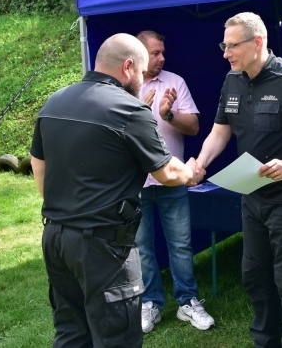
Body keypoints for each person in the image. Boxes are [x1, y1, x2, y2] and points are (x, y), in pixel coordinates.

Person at [30, 33, 203, 348]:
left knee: (71, 333)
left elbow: (38, 163)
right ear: (128, 67)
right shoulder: (129, 109)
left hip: (55, 236)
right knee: (117, 337)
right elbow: (165, 172)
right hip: (102, 245)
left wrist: (64, 208)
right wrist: (190, 171)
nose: (141, 78)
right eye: (140, 71)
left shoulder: (55, 101)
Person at [191, 12, 282, 348]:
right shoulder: (232, 80)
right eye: (223, 45)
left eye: (232, 46)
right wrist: (201, 163)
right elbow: (219, 130)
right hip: (252, 199)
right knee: (255, 280)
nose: (226, 53)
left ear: (258, 43)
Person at [134, 30, 215, 333]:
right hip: (135, 183)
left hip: (172, 180)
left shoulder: (175, 81)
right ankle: (151, 304)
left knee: (180, 245)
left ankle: (187, 302)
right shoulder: (123, 85)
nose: (162, 58)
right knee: (142, 246)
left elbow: (194, 126)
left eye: (162, 52)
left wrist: (168, 115)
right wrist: (138, 109)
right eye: (155, 53)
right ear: (138, 54)